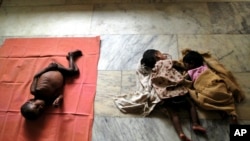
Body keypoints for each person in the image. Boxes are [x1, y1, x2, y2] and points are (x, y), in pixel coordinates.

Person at [142, 49, 206, 141]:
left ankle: (180, 133)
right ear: (157, 55)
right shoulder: (165, 61)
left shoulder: (153, 70)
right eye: (161, 53)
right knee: (191, 105)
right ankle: (195, 124)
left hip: (165, 94)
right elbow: (179, 65)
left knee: (173, 114)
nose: (163, 54)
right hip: (177, 89)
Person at [182, 49, 245, 124]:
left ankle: (219, 109)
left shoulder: (190, 71)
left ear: (191, 64)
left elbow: (183, 80)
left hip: (206, 86)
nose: (185, 66)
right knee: (225, 97)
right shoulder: (205, 67)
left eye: (185, 64)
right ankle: (231, 113)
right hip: (217, 84)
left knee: (203, 100)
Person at [20, 50, 82, 120]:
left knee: (73, 71)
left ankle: (71, 55)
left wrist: (48, 68)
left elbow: (36, 76)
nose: (41, 107)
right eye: (41, 110)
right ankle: (70, 57)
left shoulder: (34, 91)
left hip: (54, 68)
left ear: (30, 101)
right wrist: (58, 99)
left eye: (37, 106)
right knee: (74, 71)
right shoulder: (49, 101)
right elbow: (60, 95)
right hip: (62, 75)